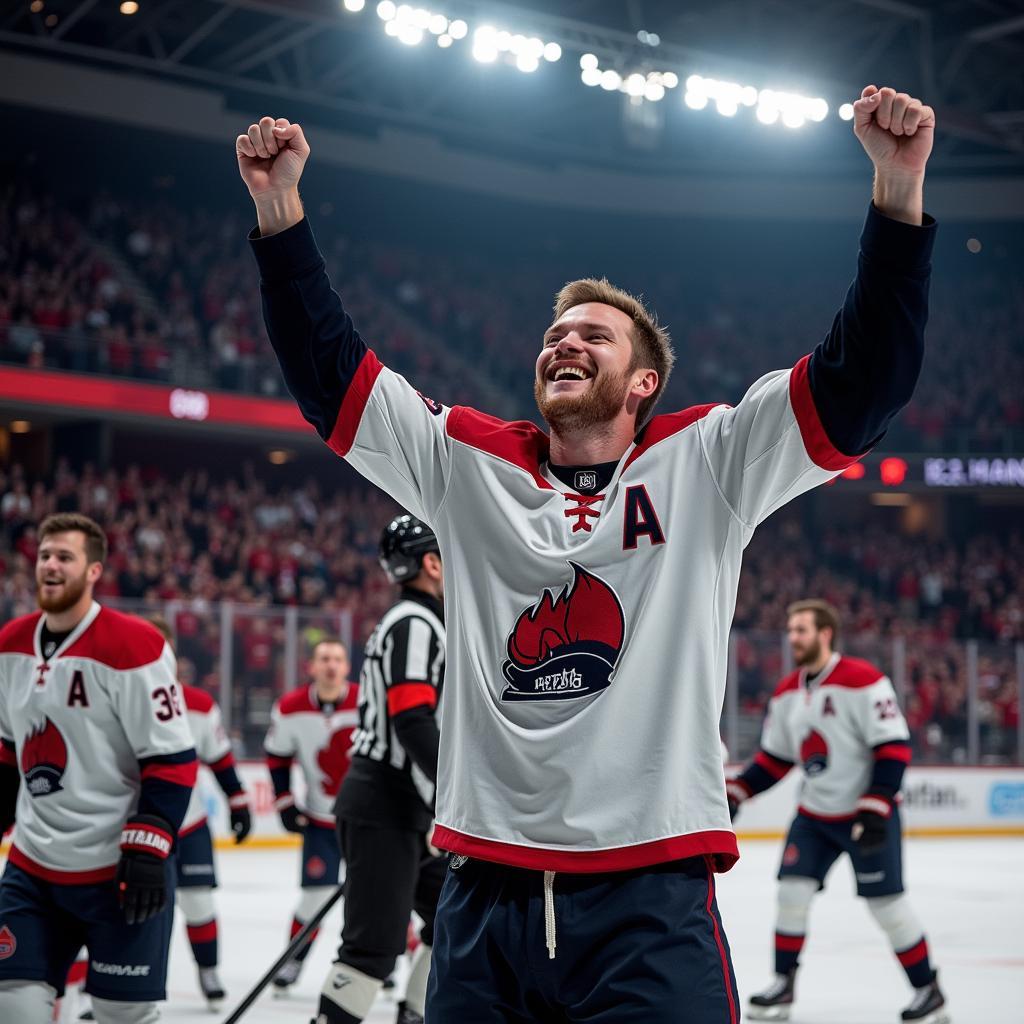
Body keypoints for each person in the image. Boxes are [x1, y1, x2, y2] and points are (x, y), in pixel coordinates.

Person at [238, 82, 937, 1022]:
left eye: (593, 335)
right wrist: (280, 214)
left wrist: (897, 195)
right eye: (555, 334)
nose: (565, 341)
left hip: (650, 901)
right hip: (482, 898)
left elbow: (865, 381)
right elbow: (331, 374)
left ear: (643, 379)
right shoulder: (465, 464)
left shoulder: (710, 461)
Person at [0, 513, 197, 1024]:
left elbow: (172, 759)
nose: (50, 564)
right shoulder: (9, 645)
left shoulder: (136, 645)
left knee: (121, 1015)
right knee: (12, 1007)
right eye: (44, 555)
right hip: (33, 868)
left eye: (64, 556)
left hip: (120, 873)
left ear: (93, 571)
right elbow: (6, 749)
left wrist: (150, 842)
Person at [728, 600, 948, 1024]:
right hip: (814, 815)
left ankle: (929, 990)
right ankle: (783, 986)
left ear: (825, 633)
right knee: (791, 894)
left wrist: (876, 805)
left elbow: (894, 746)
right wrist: (737, 791)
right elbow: (775, 759)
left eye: (802, 630)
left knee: (887, 906)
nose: (793, 637)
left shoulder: (864, 680)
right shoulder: (787, 691)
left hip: (866, 814)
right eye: (791, 630)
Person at [317, 514, 447, 1024]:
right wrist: (452, 789)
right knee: (373, 947)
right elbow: (412, 718)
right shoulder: (415, 623)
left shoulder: (419, 621)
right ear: (432, 564)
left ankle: (415, 1013)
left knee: (452, 920)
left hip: (403, 805)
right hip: (384, 802)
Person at [147, 619, 253, 1012]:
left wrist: (239, 802)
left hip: (188, 824)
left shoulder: (199, 704)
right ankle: (122, 980)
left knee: (198, 904)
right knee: (133, 907)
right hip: (133, 826)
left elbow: (219, 758)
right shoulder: (113, 695)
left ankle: (208, 971)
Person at [264, 638, 359, 993]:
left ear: (347, 666)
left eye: (337, 659)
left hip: (366, 822)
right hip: (321, 823)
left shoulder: (367, 701)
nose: (331, 665)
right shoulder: (290, 707)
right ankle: (293, 962)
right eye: (324, 659)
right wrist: (285, 801)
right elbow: (277, 756)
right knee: (314, 898)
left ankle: (383, 963)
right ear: (312, 667)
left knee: (376, 895)